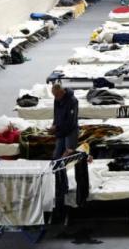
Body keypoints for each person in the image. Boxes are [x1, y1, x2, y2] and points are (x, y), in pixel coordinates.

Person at [49, 83, 79, 219]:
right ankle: (60, 183)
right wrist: (54, 125)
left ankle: (66, 186)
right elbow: (56, 114)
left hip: (70, 130)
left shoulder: (73, 101)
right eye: (54, 96)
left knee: (67, 155)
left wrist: (58, 128)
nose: (56, 98)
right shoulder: (57, 99)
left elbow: (71, 122)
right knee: (56, 158)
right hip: (60, 130)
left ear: (62, 92)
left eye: (57, 95)